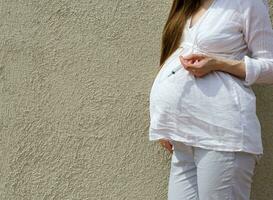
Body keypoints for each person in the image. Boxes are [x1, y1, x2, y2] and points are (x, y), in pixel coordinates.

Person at [148, 0, 273, 199]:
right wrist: (164, 123)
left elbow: (270, 67)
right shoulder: (187, 4)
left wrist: (219, 63)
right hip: (183, 138)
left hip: (222, 136)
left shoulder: (247, 3)